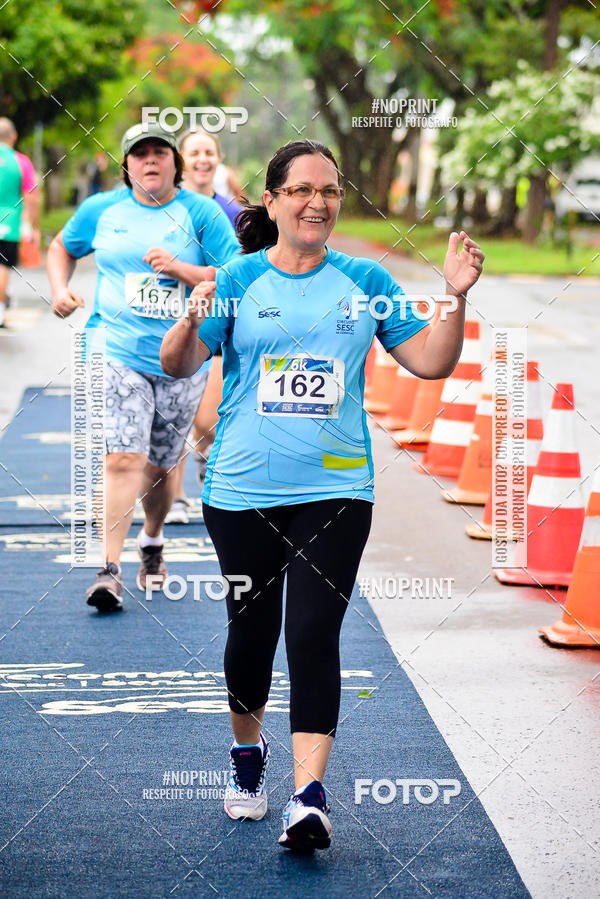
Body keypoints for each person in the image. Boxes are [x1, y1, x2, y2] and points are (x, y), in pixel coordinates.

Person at [161, 139, 484, 851]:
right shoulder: (238, 280)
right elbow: (179, 362)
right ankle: (248, 754)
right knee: (252, 632)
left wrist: (454, 299)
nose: (318, 202)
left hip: (337, 489)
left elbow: (429, 361)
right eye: (303, 189)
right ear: (272, 201)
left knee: (313, 633)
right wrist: (191, 314)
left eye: (331, 191)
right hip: (242, 489)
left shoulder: (364, 279)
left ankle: (309, 796)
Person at [46, 121, 239, 611]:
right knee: (121, 457)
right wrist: (59, 289)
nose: (150, 161)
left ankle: (151, 539)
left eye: (159, 153)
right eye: (140, 154)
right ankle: (107, 570)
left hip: (183, 358)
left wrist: (182, 269)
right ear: (127, 165)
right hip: (114, 349)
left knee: (160, 467)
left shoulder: (200, 213)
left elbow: (236, 274)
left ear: (174, 162)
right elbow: (61, 249)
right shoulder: (102, 209)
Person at [165, 130, 244, 524]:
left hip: (216, 324)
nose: (202, 159)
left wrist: (183, 269)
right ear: (181, 160)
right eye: (193, 152)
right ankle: (176, 497)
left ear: (218, 159)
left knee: (205, 421)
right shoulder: (167, 208)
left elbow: (239, 267)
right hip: (168, 322)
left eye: (209, 152)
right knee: (172, 417)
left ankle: (207, 474)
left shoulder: (232, 213)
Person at [0, 117, 40, 326]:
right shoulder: (20, 161)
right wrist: (34, 226)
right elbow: (32, 196)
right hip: (8, 223)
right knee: (3, 267)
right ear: (14, 137)